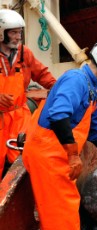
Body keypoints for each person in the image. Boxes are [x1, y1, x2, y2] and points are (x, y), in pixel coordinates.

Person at [22, 40, 97, 230]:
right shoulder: (76, 80)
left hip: (56, 155)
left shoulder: (91, 91)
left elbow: (96, 132)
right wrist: (73, 156)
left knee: (53, 212)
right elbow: (59, 114)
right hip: (48, 155)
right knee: (63, 213)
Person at [0, 9, 56, 178]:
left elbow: (44, 76)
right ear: (1, 33)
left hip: (20, 116)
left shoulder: (25, 54)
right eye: (14, 33)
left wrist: (61, 90)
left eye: (20, 32)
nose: (18, 37)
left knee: (25, 160)